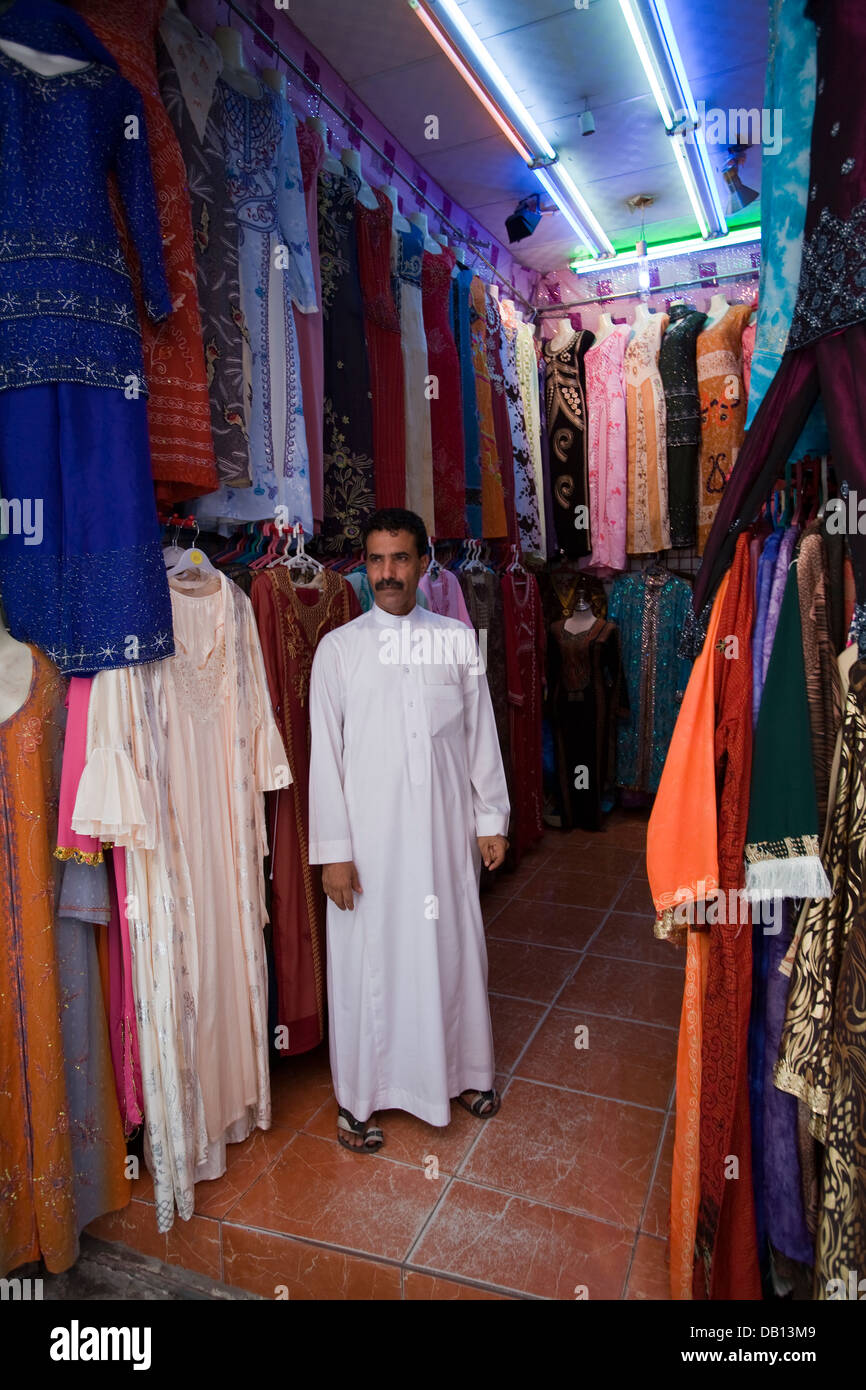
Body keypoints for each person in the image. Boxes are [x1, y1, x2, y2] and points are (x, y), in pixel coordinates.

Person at [308, 507, 510, 1152]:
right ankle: (360, 1101)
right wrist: (334, 854)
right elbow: (325, 762)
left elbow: (481, 739)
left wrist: (491, 820)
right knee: (372, 967)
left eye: (400, 558)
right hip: (369, 851)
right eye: (376, 560)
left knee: (451, 956)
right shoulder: (338, 651)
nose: (388, 573)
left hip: (445, 841)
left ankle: (462, 1074)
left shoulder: (455, 639)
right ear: (363, 567)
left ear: (424, 563)